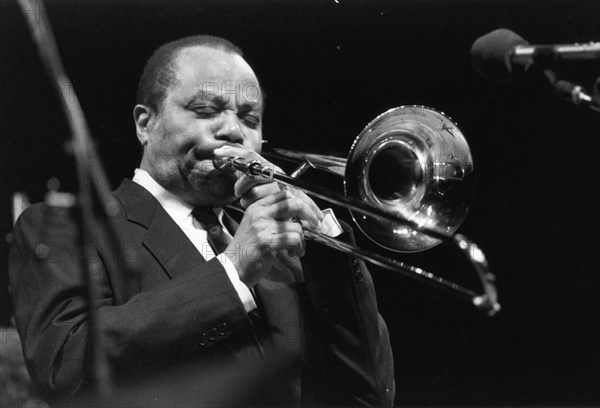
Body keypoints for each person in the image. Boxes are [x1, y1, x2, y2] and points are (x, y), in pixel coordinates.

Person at [9, 35, 395, 407]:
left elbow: (369, 395)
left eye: (250, 117)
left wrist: (328, 249)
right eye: (206, 111)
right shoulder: (64, 226)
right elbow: (65, 366)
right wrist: (234, 269)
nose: (233, 131)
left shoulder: (283, 252)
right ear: (146, 124)